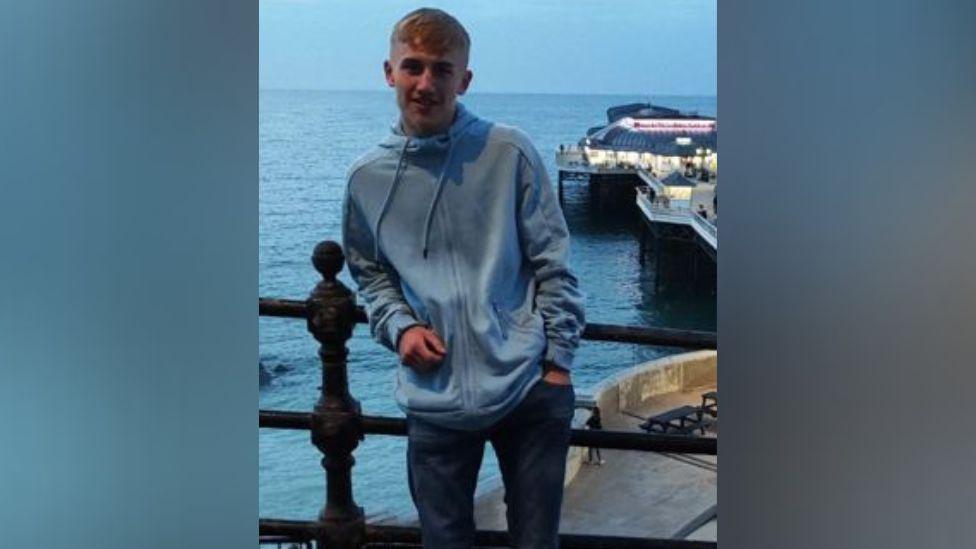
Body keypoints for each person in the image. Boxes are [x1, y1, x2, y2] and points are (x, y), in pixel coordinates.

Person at [341, 8, 585, 549]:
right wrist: (400, 328)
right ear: (389, 72)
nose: (426, 83)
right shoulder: (366, 179)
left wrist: (557, 366)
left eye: (441, 70)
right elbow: (370, 274)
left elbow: (554, 261)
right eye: (413, 67)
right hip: (436, 398)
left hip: (528, 389)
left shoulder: (508, 151)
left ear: (464, 79)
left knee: (536, 544)